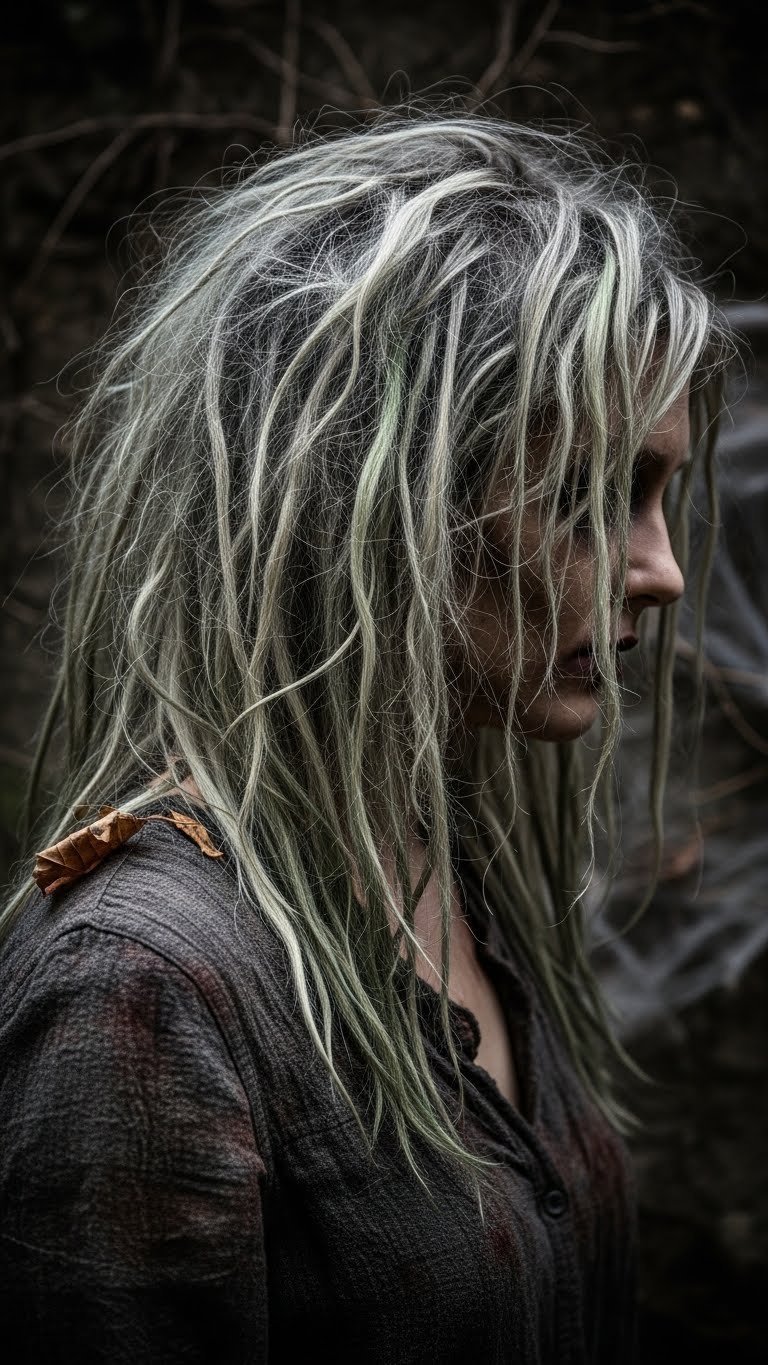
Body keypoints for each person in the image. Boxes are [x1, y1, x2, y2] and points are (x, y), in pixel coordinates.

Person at [0, 108, 732, 1363]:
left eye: (660, 495)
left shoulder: (454, 871)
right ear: (378, 507)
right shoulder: (141, 988)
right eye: (592, 495)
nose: (660, 572)